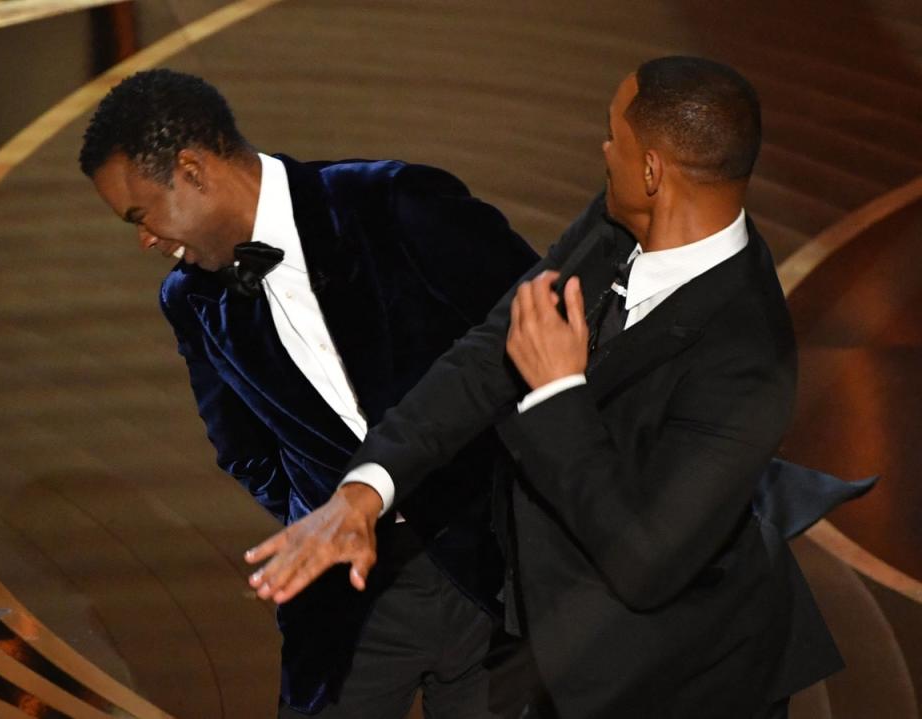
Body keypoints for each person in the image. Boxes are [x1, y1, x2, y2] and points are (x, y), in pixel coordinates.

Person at [243, 57, 850, 718]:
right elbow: (489, 351)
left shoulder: (749, 357)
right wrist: (367, 488)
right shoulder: (622, 220)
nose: (603, 149)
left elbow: (645, 562)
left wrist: (559, 391)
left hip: (682, 682)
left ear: (652, 171)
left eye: (613, 135)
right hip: (558, 645)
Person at [78, 68, 541, 718]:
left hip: (492, 576)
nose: (144, 239)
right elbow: (244, 448)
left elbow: (546, 335)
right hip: (344, 604)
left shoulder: (397, 203)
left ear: (191, 169)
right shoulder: (191, 301)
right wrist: (319, 510)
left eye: (140, 214)